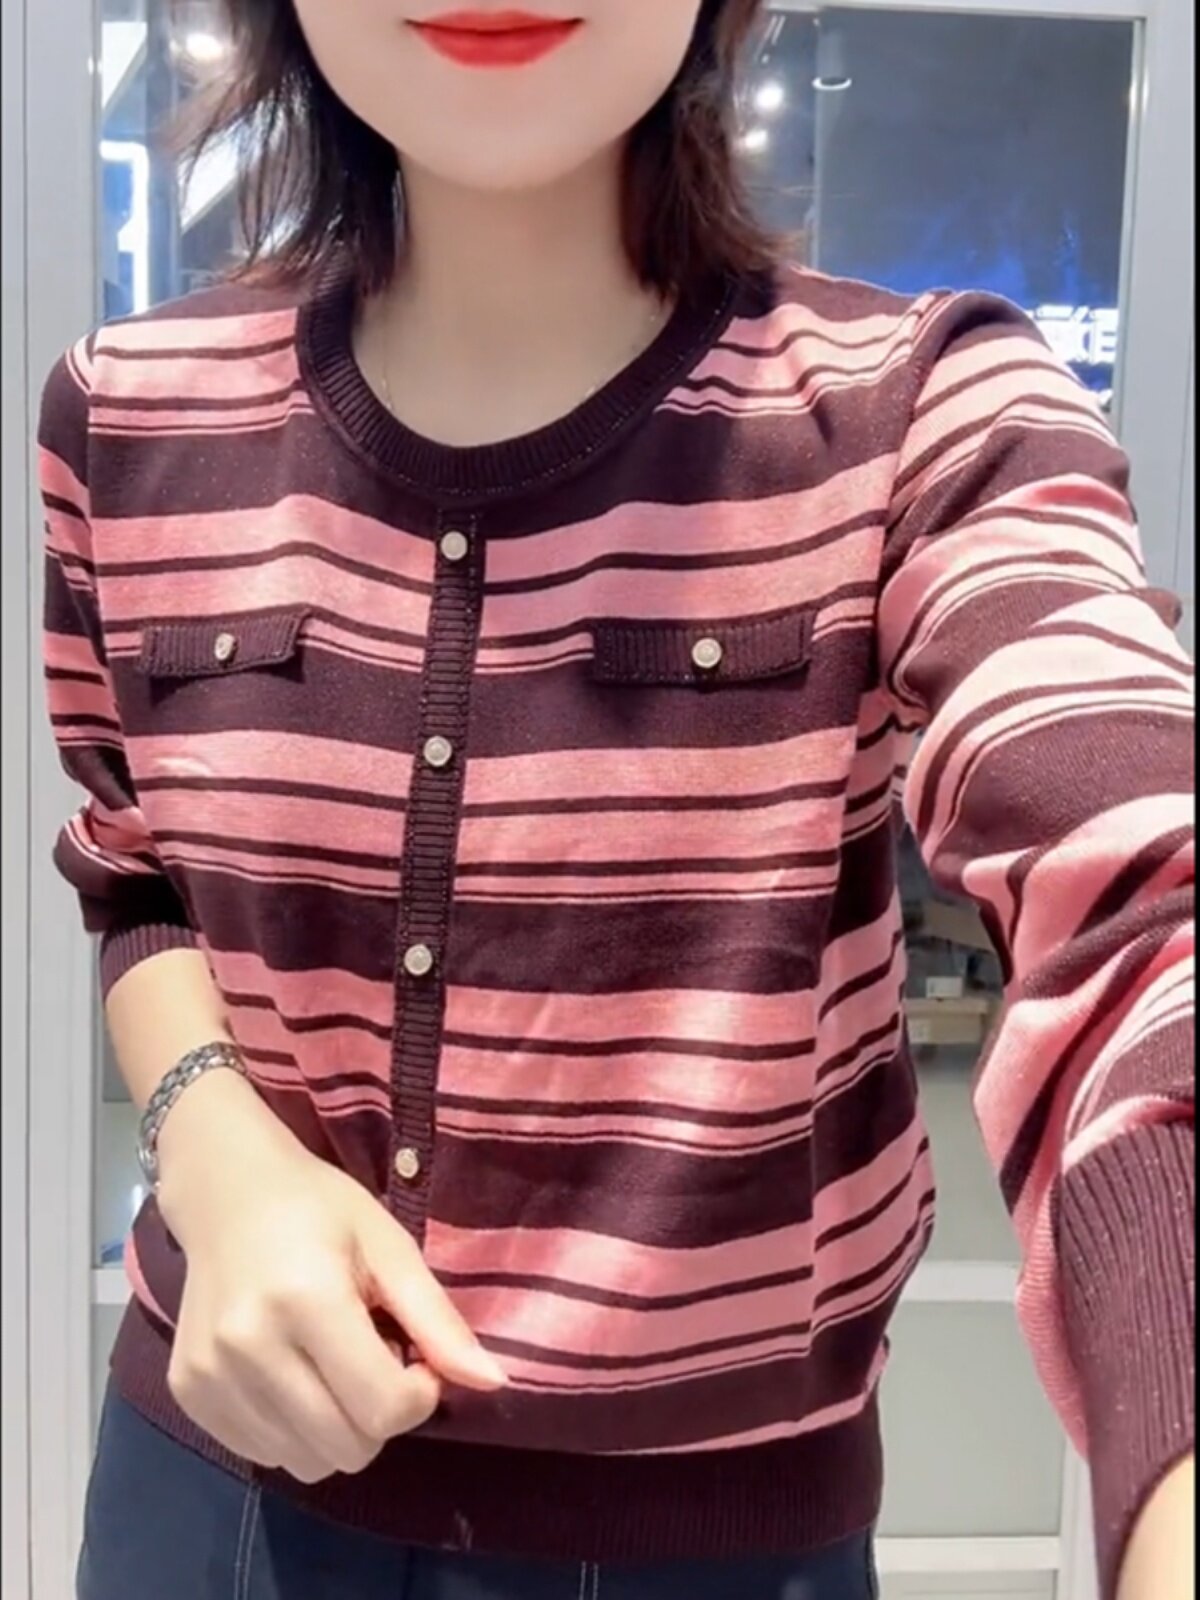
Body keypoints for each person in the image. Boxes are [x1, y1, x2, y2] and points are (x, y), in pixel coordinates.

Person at [39, 2, 1194, 1597]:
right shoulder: (125, 416)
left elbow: (1138, 906)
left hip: (720, 1541)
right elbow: (137, 873)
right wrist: (214, 1150)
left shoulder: (921, 412)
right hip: (206, 1492)